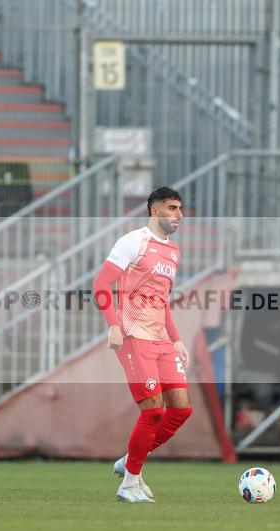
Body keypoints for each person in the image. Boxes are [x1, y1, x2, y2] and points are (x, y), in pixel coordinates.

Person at [92, 187, 192, 503]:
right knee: (153, 411)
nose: (179, 214)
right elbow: (100, 284)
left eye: (180, 208)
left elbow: (162, 301)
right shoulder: (133, 242)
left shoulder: (173, 252)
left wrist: (176, 340)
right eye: (172, 208)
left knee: (181, 409)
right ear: (154, 210)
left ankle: (129, 462)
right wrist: (113, 326)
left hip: (161, 339)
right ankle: (129, 483)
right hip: (134, 337)